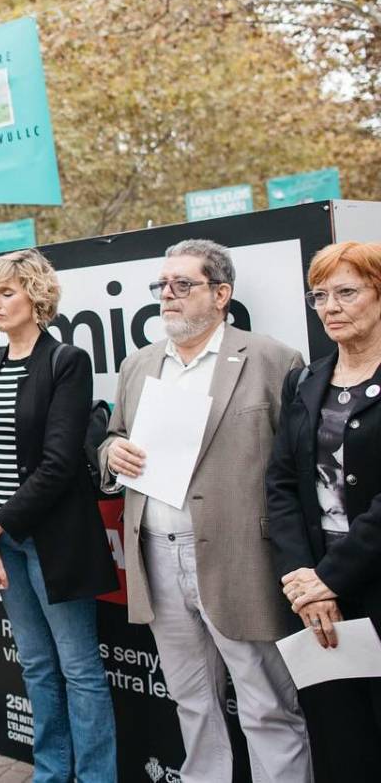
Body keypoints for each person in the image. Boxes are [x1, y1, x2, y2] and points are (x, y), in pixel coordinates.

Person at [100, 239, 311, 782]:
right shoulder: (139, 365)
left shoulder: (272, 359)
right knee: (192, 702)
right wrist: (112, 453)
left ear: (222, 294)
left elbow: (297, 468)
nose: (166, 296)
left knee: (267, 704)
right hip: (157, 558)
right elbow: (114, 439)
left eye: (182, 285)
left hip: (242, 558)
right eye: (161, 286)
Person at [0, 250, 117, 782]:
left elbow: (57, 465)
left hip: (55, 541)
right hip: (2, 543)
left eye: (7, 292)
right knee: (35, 666)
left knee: (80, 670)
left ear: (36, 296)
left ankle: (96, 777)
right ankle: (51, 773)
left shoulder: (66, 362)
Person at [266, 241, 381, 781]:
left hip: (364, 581)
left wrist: (329, 579)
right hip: (316, 594)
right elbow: (283, 485)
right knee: (338, 743)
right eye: (320, 296)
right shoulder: (306, 380)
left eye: (346, 292)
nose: (330, 306)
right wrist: (301, 580)